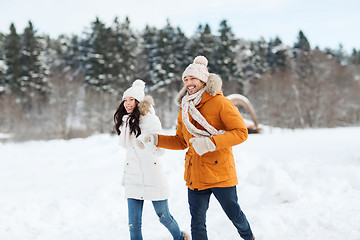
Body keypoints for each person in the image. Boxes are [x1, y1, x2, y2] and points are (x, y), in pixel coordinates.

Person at [143, 56, 255, 240]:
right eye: (185, 79)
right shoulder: (184, 108)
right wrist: (155, 139)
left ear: (203, 80)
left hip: (220, 174)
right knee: (197, 222)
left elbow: (241, 132)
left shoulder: (221, 103)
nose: (188, 82)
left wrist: (210, 143)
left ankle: (249, 237)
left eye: (192, 78)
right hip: (195, 175)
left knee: (234, 215)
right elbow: (181, 141)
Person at [114, 79, 189, 240]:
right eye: (125, 100)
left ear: (139, 101)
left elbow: (160, 151)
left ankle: (180, 238)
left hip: (153, 175)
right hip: (133, 176)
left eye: (131, 100)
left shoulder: (151, 120)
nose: (127, 104)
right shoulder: (124, 123)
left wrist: (146, 141)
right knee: (133, 223)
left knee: (164, 217)